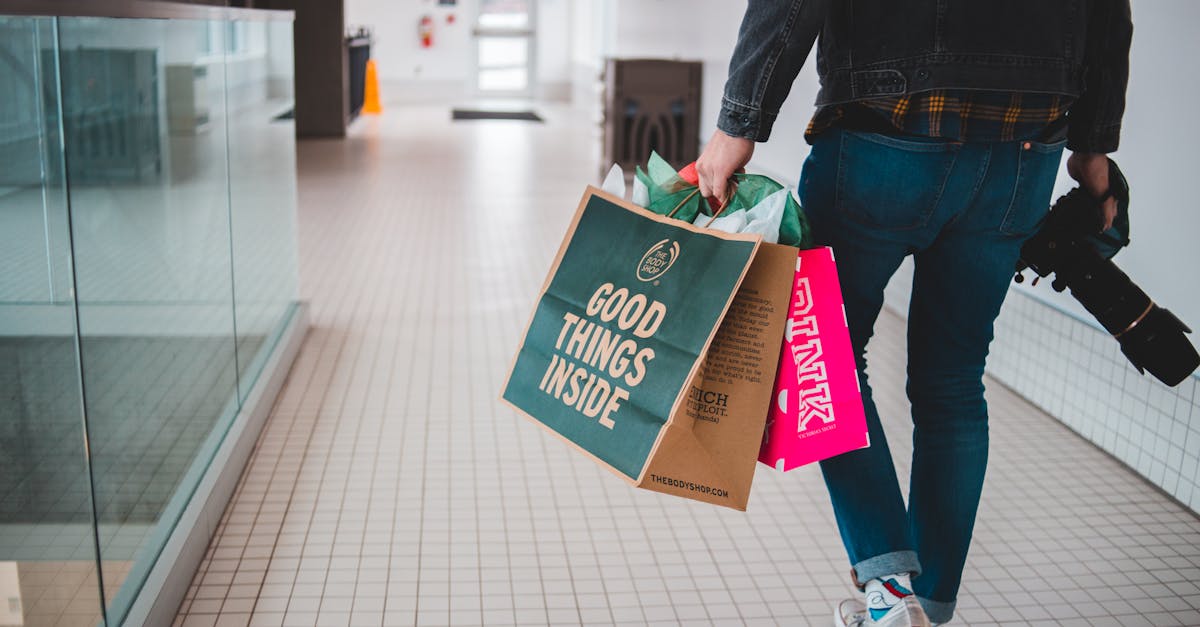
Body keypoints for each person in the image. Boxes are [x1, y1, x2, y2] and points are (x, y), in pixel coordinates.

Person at [696, 1, 1133, 626]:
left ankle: (890, 592)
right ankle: (928, 605)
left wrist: (738, 123)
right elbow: (1109, 14)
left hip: (884, 134)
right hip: (1024, 151)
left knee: (829, 356)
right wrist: (1092, 151)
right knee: (952, 382)